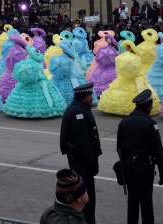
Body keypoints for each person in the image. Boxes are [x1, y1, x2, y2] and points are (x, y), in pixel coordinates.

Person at [117, 89, 163, 224]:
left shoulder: (124, 122)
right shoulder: (150, 124)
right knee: (146, 204)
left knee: (132, 202)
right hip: (144, 169)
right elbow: (158, 151)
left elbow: (119, 148)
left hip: (129, 168)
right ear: (148, 106)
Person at [60, 83, 102, 224]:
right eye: (90, 95)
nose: (92, 97)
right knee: (86, 199)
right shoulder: (79, 113)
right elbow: (83, 142)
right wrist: (92, 163)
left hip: (78, 160)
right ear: (84, 97)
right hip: (82, 162)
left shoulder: (77, 108)